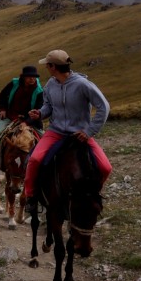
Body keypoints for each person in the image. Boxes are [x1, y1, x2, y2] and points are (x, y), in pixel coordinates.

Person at [23, 49, 112, 200]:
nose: (46, 68)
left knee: (105, 168)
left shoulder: (83, 84)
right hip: (55, 132)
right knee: (34, 160)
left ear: (53, 67)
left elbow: (104, 107)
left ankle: (92, 195)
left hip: (80, 134)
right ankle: (30, 195)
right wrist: (40, 113)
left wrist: (89, 131)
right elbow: (48, 106)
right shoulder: (51, 84)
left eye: (47, 65)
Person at [0, 65, 44, 129]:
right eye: (29, 76)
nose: (32, 79)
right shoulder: (14, 83)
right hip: (10, 116)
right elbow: (3, 94)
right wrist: (3, 109)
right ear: (23, 77)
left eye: (34, 76)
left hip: (29, 120)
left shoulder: (39, 91)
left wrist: (26, 122)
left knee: (41, 136)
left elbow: (38, 110)